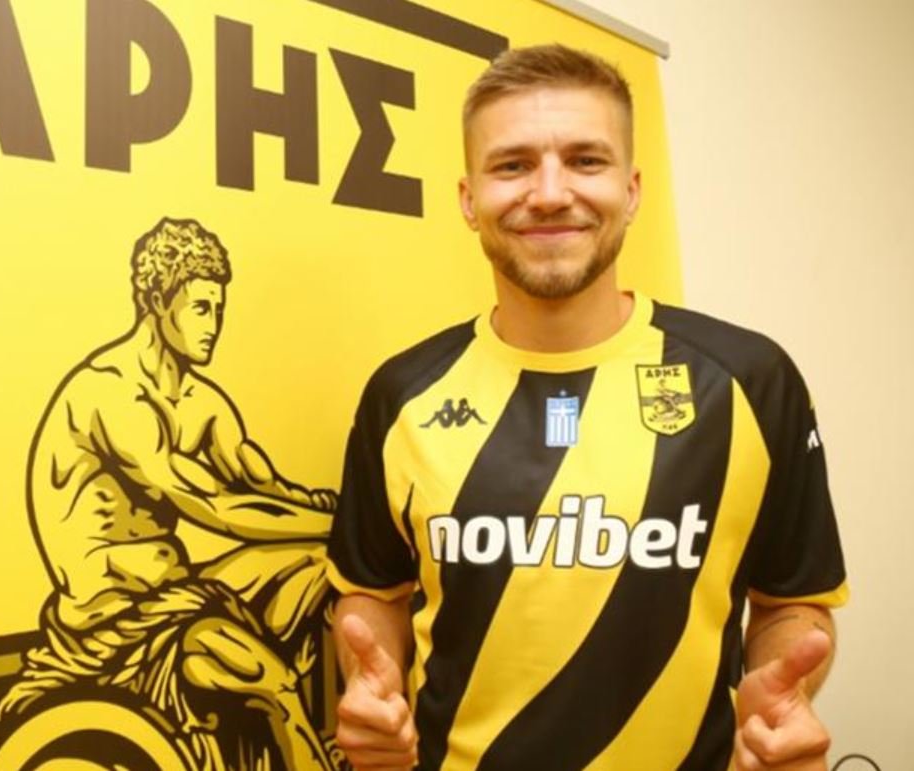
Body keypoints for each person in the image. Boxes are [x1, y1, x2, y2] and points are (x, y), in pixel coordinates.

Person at [326, 45, 847, 771]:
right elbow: (372, 594)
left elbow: (793, 600)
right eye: (512, 165)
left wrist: (783, 698)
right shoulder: (401, 393)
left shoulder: (751, 382)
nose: (548, 193)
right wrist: (368, 685)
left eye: (585, 160)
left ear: (631, 191)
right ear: (468, 198)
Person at [0, 217, 339, 770]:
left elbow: (271, 491)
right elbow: (214, 508)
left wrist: (344, 520)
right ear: (158, 301)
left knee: (325, 558)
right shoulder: (110, 394)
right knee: (274, 685)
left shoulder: (202, 402)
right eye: (200, 308)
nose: (214, 326)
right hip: (111, 623)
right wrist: (345, 525)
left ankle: (363, 720)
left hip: (182, 594)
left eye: (219, 310)